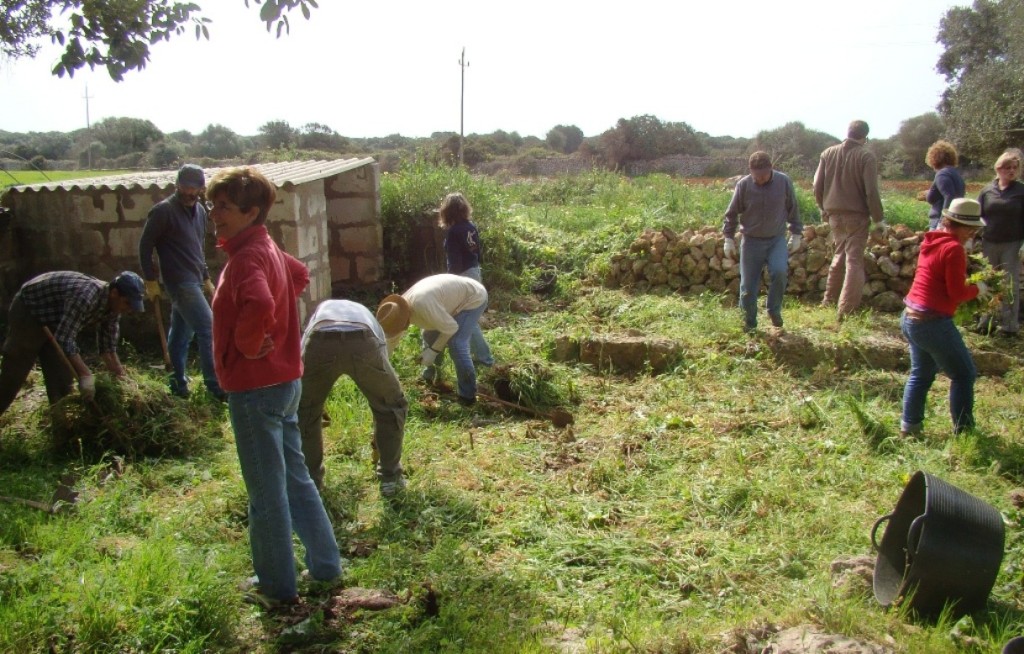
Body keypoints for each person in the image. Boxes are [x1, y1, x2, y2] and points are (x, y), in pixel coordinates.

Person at [208, 166, 341, 609]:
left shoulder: (246, 258)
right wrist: (279, 325)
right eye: (213, 205)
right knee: (296, 479)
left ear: (251, 211)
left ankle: (276, 587)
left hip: (256, 388)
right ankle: (325, 565)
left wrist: (249, 342)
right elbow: (299, 275)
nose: (214, 214)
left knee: (265, 492)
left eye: (223, 207)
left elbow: (262, 300)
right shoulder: (265, 246)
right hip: (284, 382)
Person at [297, 299, 408, 496]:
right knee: (391, 405)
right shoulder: (372, 322)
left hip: (319, 339)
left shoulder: (315, 316)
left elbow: (301, 356)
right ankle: (390, 479)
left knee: (305, 411)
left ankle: (310, 484)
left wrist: (311, 399)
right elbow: (381, 375)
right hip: (362, 340)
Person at [0, 271, 145, 416]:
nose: (129, 309)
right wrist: (85, 374)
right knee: (14, 373)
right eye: (127, 303)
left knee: (62, 381)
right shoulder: (85, 297)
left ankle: (61, 431)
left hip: (58, 322)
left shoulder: (114, 310)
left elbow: (108, 349)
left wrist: (121, 377)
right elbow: (65, 339)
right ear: (114, 293)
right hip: (31, 310)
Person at [900, 198, 988, 437]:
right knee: (964, 373)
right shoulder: (953, 249)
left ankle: (910, 428)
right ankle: (965, 431)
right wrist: (978, 290)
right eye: (969, 229)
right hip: (932, 322)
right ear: (958, 225)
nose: (972, 234)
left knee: (921, 373)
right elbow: (957, 292)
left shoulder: (932, 240)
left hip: (910, 317)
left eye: (974, 230)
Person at [139, 163, 226, 401]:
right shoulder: (163, 211)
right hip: (179, 282)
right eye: (185, 187)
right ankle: (215, 385)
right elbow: (145, 246)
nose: (189, 192)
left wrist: (206, 277)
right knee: (209, 329)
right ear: (177, 185)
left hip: (195, 279)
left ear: (201, 188)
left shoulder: (199, 212)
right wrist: (150, 279)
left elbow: (197, 249)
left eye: (194, 188)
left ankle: (177, 383)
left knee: (180, 335)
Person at [376, 273, 488, 406]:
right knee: (429, 335)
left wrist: (433, 351)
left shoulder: (422, 305)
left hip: (473, 298)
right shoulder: (397, 311)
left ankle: (468, 397)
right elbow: (391, 343)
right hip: (447, 301)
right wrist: (382, 372)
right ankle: (430, 377)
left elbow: (451, 328)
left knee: (457, 344)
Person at [722, 151, 802, 332]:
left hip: (776, 240)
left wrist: (796, 233)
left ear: (771, 169)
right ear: (750, 171)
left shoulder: (783, 182)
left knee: (780, 272)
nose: (760, 180)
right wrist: (728, 238)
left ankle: (773, 310)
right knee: (748, 286)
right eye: (756, 176)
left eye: (764, 176)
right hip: (751, 241)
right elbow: (732, 213)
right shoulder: (744, 185)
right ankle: (749, 323)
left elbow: (793, 209)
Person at [813, 120, 886, 320]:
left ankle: (828, 300)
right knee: (854, 260)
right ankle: (846, 309)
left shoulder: (828, 153)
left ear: (848, 132)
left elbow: (816, 186)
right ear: (865, 137)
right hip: (857, 215)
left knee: (839, 256)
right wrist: (879, 219)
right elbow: (871, 191)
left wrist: (823, 207)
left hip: (834, 214)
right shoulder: (866, 155)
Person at [439, 192, 494, 367]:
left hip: (462, 277)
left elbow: (455, 262)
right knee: (469, 317)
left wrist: (450, 282)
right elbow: (478, 252)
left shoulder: (454, 231)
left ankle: (485, 357)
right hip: (474, 272)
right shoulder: (471, 226)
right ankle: (483, 357)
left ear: (447, 211)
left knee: (464, 317)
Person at [977, 150, 1024, 337]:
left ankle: (1009, 326)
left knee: (1008, 284)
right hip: (989, 241)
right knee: (986, 281)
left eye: (1015, 168)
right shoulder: (987, 190)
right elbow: (977, 215)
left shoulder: (1021, 191)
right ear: (999, 168)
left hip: (1012, 243)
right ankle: (984, 321)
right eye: (1007, 167)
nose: (1011, 171)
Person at [924, 140, 966, 231]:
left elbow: (949, 195)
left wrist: (942, 222)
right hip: (956, 222)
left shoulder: (942, 174)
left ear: (933, 158)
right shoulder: (956, 174)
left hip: (940, 224)